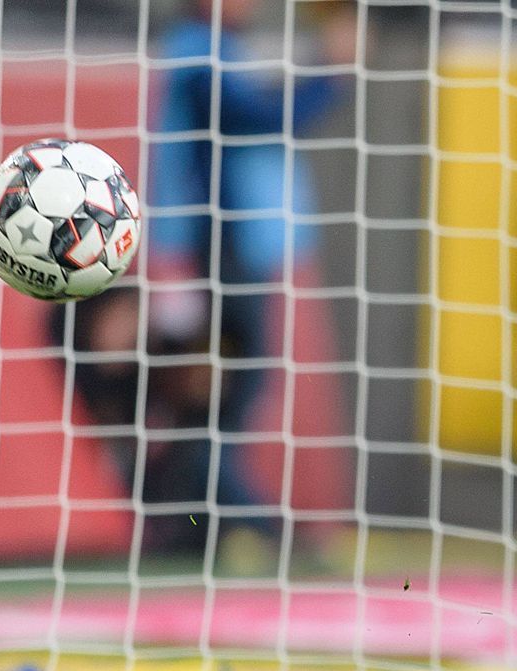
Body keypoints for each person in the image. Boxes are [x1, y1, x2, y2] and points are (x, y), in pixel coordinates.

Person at [147, 0, 354, 564]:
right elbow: (255, 118)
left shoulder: (216, 49)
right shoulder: (195, 53)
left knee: (227, 391)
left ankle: (201, 526)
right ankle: (250, 524)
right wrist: (330, 72)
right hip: (219, 250)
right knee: (229, 390)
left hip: (229, 249)